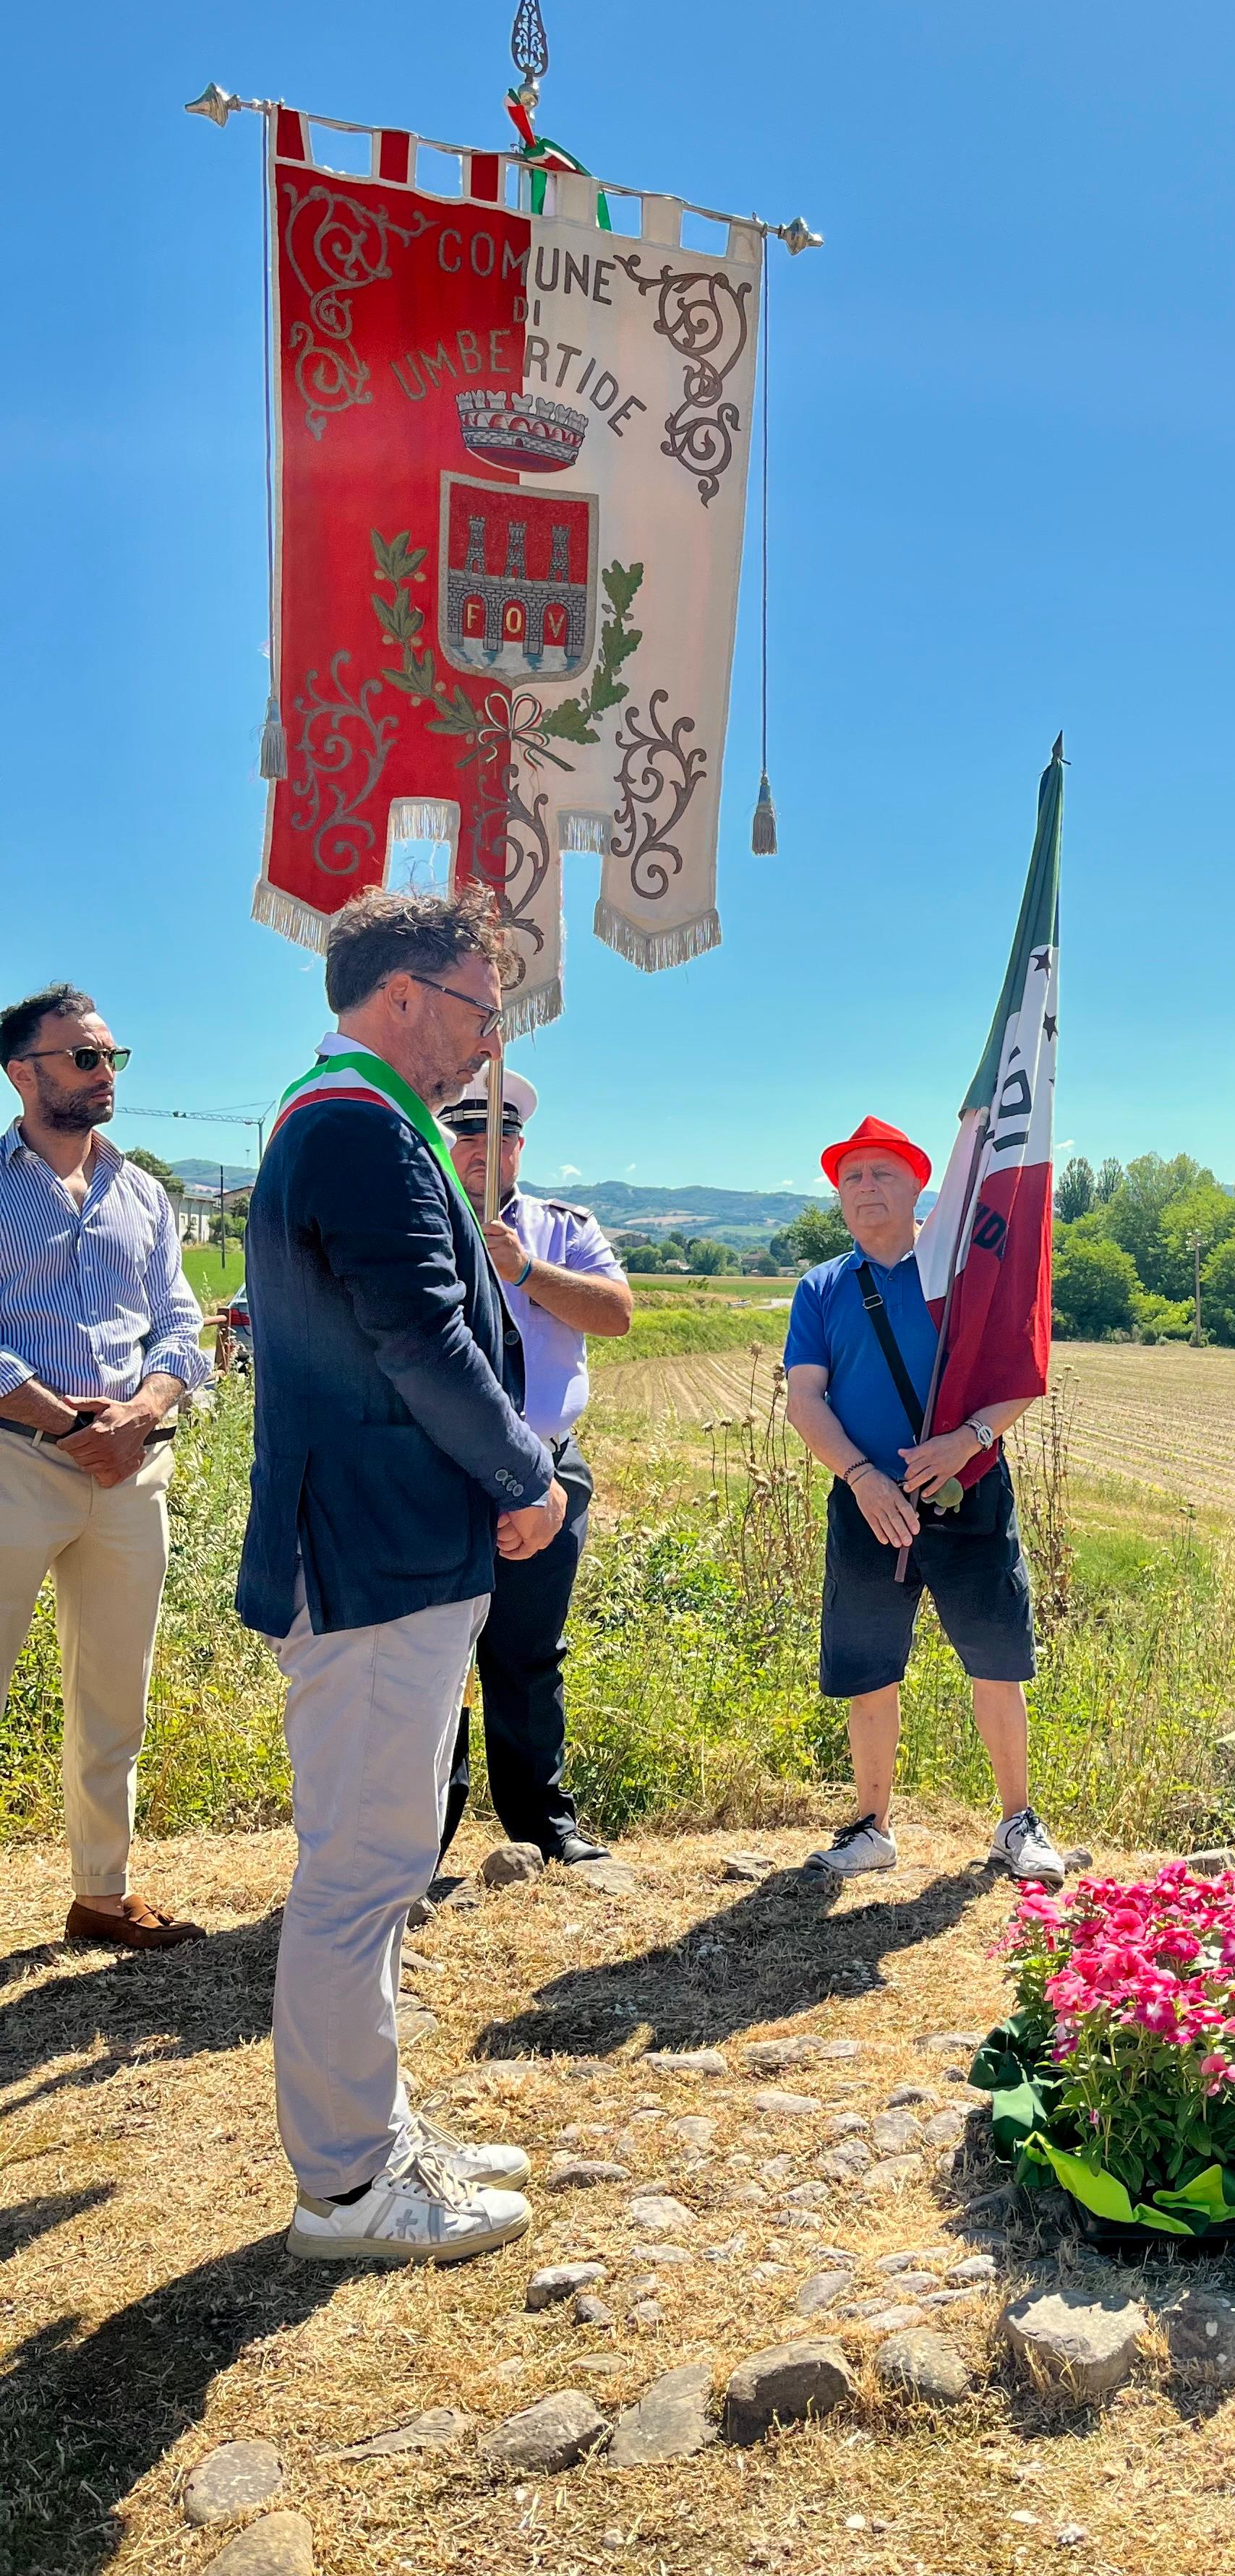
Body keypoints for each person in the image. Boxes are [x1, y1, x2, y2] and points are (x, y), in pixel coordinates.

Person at [237, 886, 566, 2265]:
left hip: (388, 1546)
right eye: (482, 1009)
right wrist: (523, 1474)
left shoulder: (363, 1121)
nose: (488, 1043)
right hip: (371, 1554)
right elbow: (423, 1337)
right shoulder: (359, 1128)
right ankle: (348, 2187)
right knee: (361, 1869)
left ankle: (371, 2131)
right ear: (403, 997)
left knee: (373, 1864)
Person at [782, 1115, 1066, 1885]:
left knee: (995, 1663)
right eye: (851, 1178)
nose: (864, 1189)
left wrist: (968, 1440)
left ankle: (1017, 1822)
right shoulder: (821, 1289)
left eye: (882, 1175)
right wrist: (861, 1478)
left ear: (919, 1189)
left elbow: (1017, 1378)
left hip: (968, 1494)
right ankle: (871, 1828)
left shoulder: (965, 1277)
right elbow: (805, 1401)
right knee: (869, 1673)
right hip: (866, 1505)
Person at [0, 984, 212, 1949]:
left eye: (112, 1058)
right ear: (23, 1072)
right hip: (14, 1461)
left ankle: (98, 1891)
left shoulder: (143, 1196)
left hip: (132, 1471)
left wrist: (142, 1411)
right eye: (85, 1057)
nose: (105, 1074)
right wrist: (62, 1423)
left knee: (113, 1692)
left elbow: (180, 1320)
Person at [435, 1067, 632, 1866]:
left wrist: (524, 1271)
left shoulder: (562, 1227)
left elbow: (615, 1314)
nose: (482, 1148)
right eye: (466, 1133)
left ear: (520, 1146)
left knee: (527, 1653)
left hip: (549, 1468)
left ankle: (541, 1823)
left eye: (498, 1134)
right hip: (445, 1471)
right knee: (436, 1656)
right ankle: (425, 1834)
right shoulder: (422, 1222)